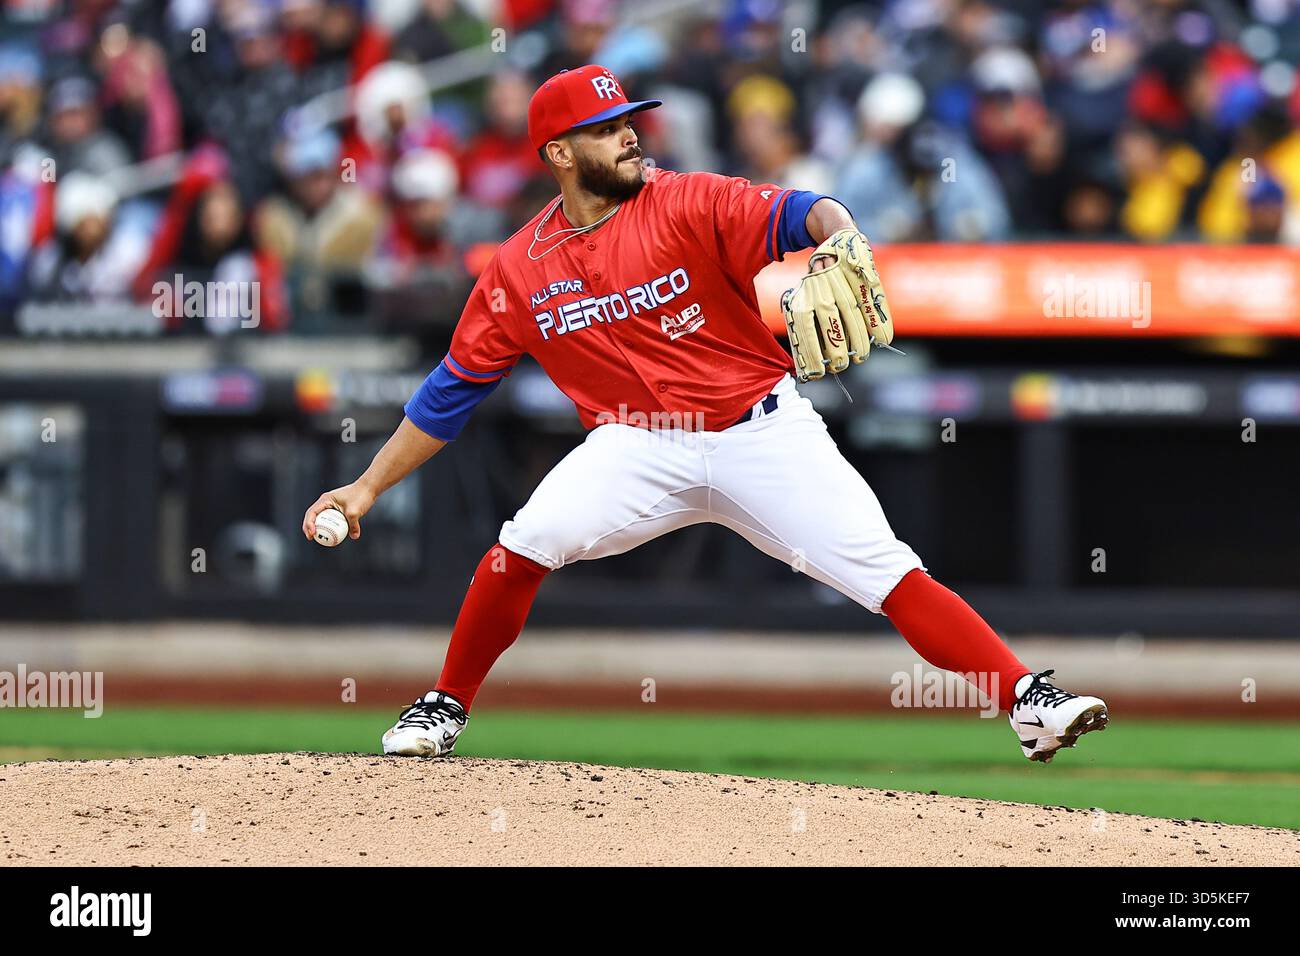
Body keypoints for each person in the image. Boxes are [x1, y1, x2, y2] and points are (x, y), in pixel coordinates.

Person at [302, 65, 1109, 764]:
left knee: (888, 573)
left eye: (627, 121)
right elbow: (453, 389)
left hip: (763, 431)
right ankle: (444, 704)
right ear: (557, 154)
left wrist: (840, 236)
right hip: (636, 446)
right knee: (524, 544)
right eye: (604, 127)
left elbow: (807, 208)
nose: (627, 136)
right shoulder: (518, 269)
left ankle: (1027, 701)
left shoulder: (688, 200)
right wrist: (365, 489)